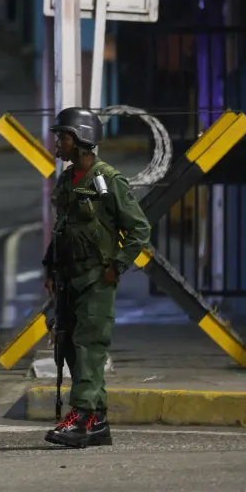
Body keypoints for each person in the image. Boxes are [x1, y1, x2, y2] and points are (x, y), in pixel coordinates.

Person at [42, 107, 151, 448]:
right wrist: (50, 267)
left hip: (95, 280)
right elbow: (62, 229)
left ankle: (79, 417)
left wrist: (116, 266)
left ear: (79, 141)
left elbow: (139, 230)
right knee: (70, 346)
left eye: (63, 137)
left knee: (89, 348)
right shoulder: (67, 180)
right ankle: (98, 422)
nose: (57, 144)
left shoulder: (107, 181)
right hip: (68, 278)